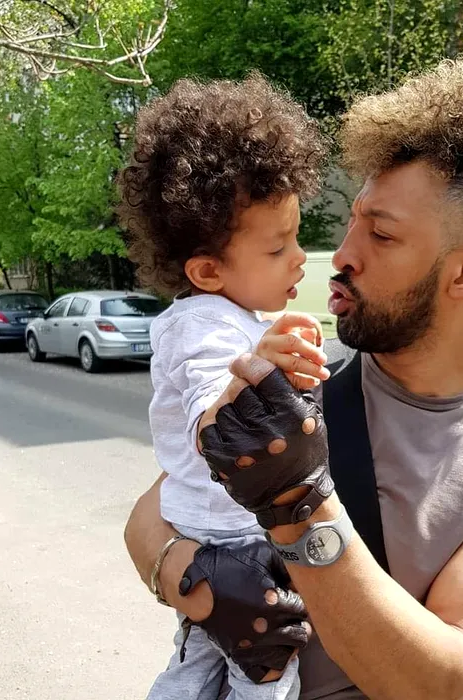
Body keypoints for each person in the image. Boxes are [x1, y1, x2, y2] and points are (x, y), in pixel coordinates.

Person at [124, 60, 463, 700]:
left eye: (380, 234)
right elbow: (150, 516)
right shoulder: (294, 376)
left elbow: (434, 679)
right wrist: (205, 587)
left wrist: (296, 502)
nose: (343, 255)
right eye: (354, 221)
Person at [116, 74, 331, 700]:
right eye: (278, 247)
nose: (300, 257)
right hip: (230, 539)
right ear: (209, 270)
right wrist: (256, 369)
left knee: (196, 663)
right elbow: (210, 423)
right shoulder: (204, 324)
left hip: (209, 531)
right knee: (265, 671)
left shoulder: (230, 317)